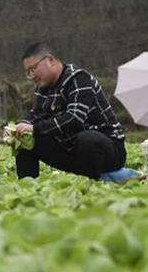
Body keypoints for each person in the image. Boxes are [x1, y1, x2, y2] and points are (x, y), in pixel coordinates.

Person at [14, 42, 134, 181]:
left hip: (107, 149)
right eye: (28, 72)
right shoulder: (43, 88)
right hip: (73, 150)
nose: (32, 76)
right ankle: (27, 188)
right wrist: (20, 126)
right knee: (24, 139)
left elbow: (74, 119)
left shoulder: (78, 79)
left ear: (50, 60)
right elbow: (36, 114)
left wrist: (34, 128)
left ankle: (98, 181)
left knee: (87, 139)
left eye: (33, 69)